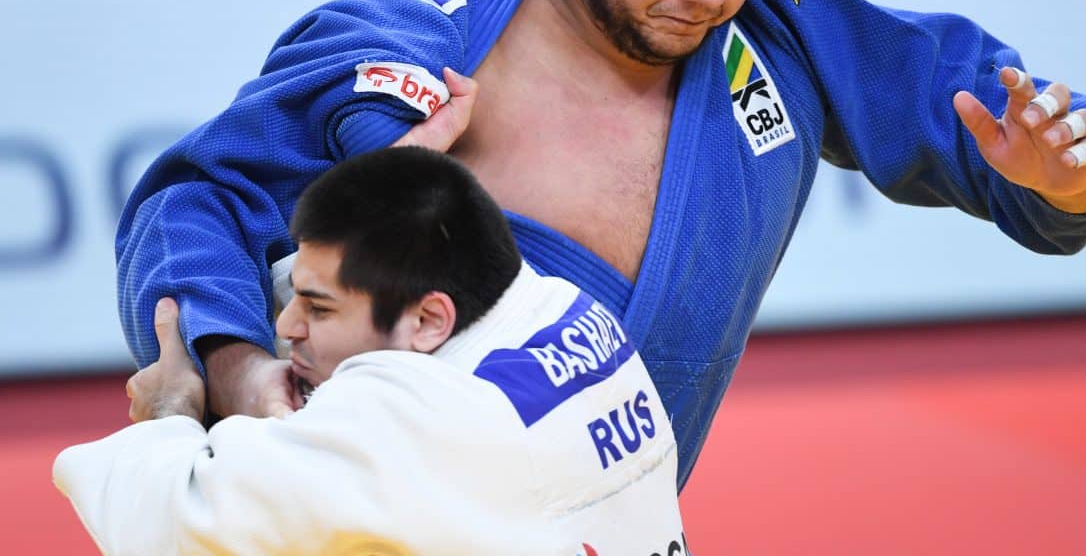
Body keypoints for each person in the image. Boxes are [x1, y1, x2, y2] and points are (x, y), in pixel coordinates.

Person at [114, 0, 1086, 489]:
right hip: (366, 521)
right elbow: (193, 197)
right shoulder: (412, 46)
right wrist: (240, 368)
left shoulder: (772, 21)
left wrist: (1067, 175)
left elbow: (960, 97)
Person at [56, 147, 686, 555]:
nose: (292, 327)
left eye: (320, 310)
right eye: (299, 298)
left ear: (428, 318)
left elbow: (170, 527)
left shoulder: (415, 426)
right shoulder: (558, 305)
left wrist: (172, 412)